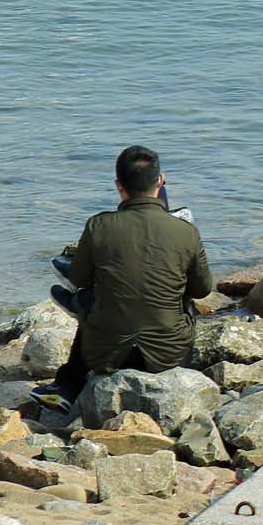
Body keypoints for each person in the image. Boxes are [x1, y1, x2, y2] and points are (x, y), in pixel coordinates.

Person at [47, 145, 213, 406]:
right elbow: (203, 289)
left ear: (118, 185)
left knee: (99, 299)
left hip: (106, 354)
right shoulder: (186, 232)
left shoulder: (99, 225)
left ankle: (66, 386)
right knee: (181, 298)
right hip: (169, 356)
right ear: (160, 181)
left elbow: (78, 279)